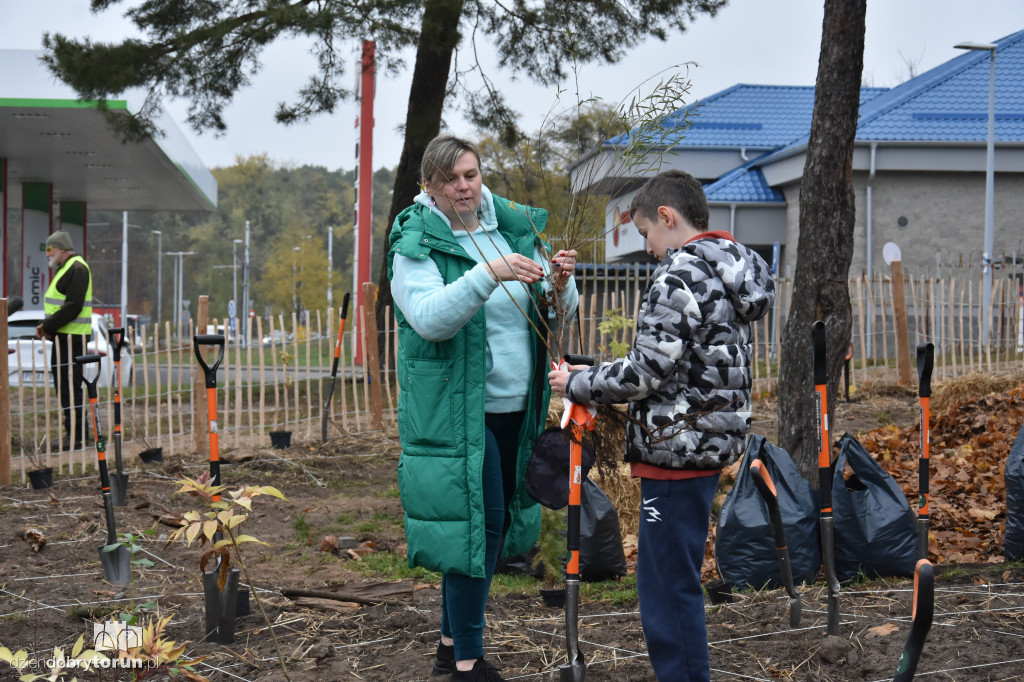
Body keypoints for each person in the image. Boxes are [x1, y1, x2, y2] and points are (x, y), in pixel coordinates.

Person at [548, 169, 775, 681]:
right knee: (676, 578)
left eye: (646, 234)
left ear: (667, 218)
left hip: (675, 449)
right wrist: (598, 371)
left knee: (666, 586)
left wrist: (578, 386)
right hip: (704, 443)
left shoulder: (678, 276)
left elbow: (644, 374)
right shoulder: (728, 270)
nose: (648, 248)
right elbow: (682, 364)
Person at [387, 133, 578, 681]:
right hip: (453, 409)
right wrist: (485, 274)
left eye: (470, 174)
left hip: (517, 403)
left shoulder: (513, 225)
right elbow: (428, 317)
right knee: (480, 525)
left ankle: (449, 647)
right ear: (430, 186)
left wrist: (561, 285)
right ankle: (469, 661)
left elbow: (556, 309)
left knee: (487, 529)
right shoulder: (417, 240)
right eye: (450, 179)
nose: (463, 186)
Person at [36, 230, 93, 451]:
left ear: (61, 249)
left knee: (70, 387)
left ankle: (76, 437)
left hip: (72, 338)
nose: (48, 255)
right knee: (66, 387)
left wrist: (47, 326)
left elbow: (73, 306)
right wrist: (49, 327)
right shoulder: (67, 269)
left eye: (50, 250)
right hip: (64, 336)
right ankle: (76, 434)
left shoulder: (77, 268)